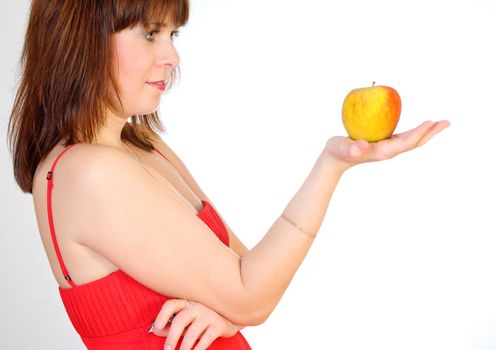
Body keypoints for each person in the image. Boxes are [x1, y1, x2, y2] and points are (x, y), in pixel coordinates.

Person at [7, 0, 450, 349]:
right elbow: (253, 294)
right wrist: (332, 165)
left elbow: (250, 274)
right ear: (81, 40)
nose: (172, 54)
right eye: (149, 34)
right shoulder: (88, 173)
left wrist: (230, 311)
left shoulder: (142, 146)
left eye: (172, 33)